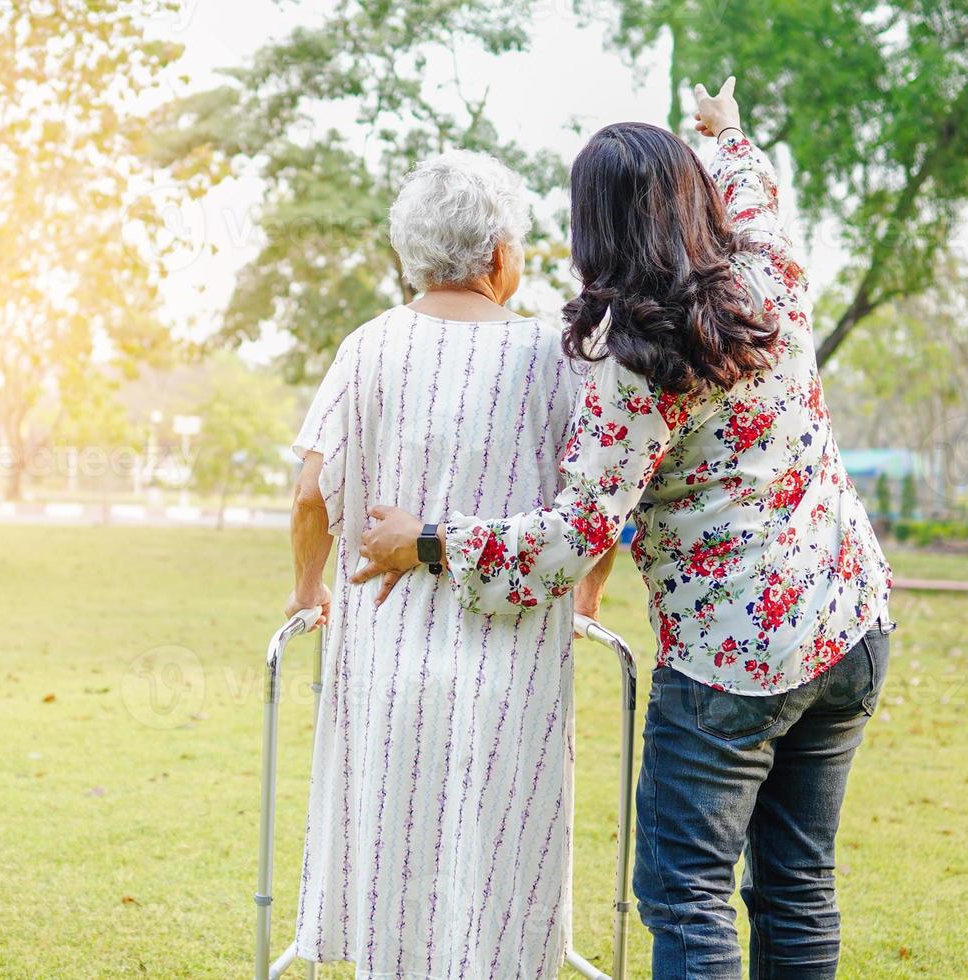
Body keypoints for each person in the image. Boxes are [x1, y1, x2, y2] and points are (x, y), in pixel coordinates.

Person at [356, 79, 892, 979]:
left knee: (685, 894)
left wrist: (426, 542)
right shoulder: (773, 274)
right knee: (797, 885)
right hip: (848, 618)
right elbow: (752, 192)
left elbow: (574, 537)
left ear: (592, 230)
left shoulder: (638, 362)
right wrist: (726, 131)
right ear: (692, 196)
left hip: (732, 665)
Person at [285, 149, 610, 979]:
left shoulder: (367, 347)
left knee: (392, 859)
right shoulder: (556, 356)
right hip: (515, 669)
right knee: (503, 864)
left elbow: (310, 493)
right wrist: (588, 598)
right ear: (500, 254)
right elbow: (598, 507)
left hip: (386, 664)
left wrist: (306, 587)